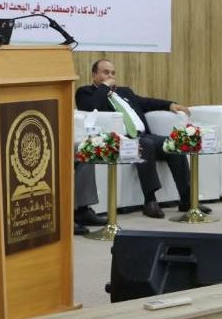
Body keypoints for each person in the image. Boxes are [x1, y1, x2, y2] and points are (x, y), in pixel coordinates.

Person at [75, 59, 210, 218]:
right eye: (106, 72)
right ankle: (150, 200)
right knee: (146, 144)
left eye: (113, 73)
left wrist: (169, 105)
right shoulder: (85, 92)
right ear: (94, 75)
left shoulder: (124, 92)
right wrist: (104, 87)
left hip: (144, 135)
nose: (110, 76)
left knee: (173, 144)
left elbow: (146, 102)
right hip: (121, 140)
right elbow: (92, 107)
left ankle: (187, 199)